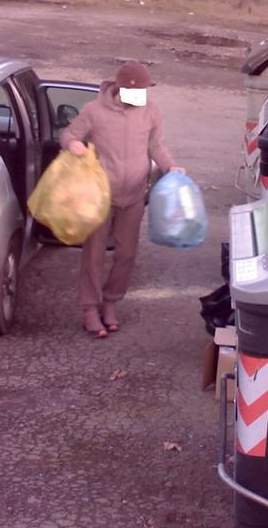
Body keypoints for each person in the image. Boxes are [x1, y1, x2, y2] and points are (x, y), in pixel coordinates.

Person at [61, 60, 182, 338]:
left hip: (134, 195)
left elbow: (156, 146)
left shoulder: (151, 111)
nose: (142, 96)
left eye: (145, 91)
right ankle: (90, 309)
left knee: (127, 253)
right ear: (122, 89)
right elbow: (69, 134)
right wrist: (74, 144)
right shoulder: (94, 111)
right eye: (137, 91)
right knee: (94, 254)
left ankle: (110, 302)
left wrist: (170, 166)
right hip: (100, 195)